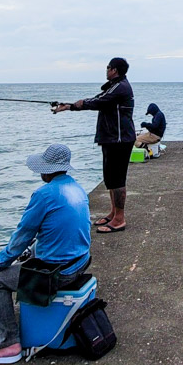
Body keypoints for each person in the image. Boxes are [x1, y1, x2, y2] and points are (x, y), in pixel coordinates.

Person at [0, 144, 90, 365]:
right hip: (80, 262)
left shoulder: (44, 194)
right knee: (33, 251)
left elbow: (23, 235)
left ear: (47, 170)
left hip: (59, 273)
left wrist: (0, 262)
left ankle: (8, 345)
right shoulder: (77, 188)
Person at [53, 57, 135, 233]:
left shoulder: (120, 87)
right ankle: (114, 212)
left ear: (114, 70)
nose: (106, 70)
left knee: (118, 179)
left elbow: (97, 102)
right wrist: (68, 106)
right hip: (111, 138)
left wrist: (71, 107)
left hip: (119, 140)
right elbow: (97, 99)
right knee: (110, 178)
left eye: (108, 68)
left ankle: (119, 219)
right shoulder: (114, 86)